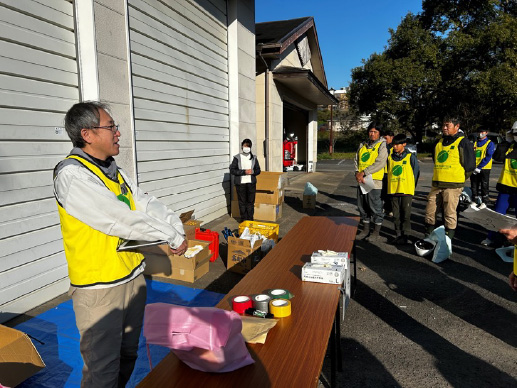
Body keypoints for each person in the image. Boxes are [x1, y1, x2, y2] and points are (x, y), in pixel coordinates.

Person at [54, 101, 188, 388]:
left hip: (132, 278)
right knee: (102, 370)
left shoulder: (114, 171)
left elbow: (145, 203)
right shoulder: (72, 175)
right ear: (87, 134)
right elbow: (120, 219)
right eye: (111, 126)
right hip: (99, 290)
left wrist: (175, 226)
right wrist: (170, 237)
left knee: (128, 355)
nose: (118, 133)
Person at [424, 117, 475, 240]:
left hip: (453, 186)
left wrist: (458, 179)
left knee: (449, 214)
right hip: (437, 184)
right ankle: (429, 237)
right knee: (430, 212)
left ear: (457, 127)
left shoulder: (463, 142)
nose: (444, 128)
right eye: (443, 125)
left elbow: (470, 166)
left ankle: (447, 240)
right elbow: (436, 160)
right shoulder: (439, 142)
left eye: (448, 125)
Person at [481, 121, 517, 247]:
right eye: (514, 132)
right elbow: (498, 157)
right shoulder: (509, 146)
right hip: (506, 187)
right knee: (497, 214)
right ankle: (491, 237)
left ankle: (514, 241)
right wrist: (506, 141)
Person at [354, 122, 388, 241]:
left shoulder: (382, 146)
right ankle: (365, 230)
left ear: (379, 134)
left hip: (374, 181)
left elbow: (380, 162)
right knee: (362, 206)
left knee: (375, 207)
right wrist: (357, 173)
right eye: (370, 131)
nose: (372, 134)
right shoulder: (363, 144)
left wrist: (364, 172)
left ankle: (376, 232)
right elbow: (356, 160)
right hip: (362, 180)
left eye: (375, 132)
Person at [387, 134, 420, 245]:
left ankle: (406, 235)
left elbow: (416, 173)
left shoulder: (410, 157)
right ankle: (398, 234)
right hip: (393, 190)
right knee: (396, 215)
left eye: (397, 144)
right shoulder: (390, 157)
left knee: (405, 214)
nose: (395, 147)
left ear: (404, 144)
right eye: (393, 144)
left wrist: (411, 186)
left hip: (406, 191)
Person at [230, 139, 261, 222]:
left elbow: (258, 170)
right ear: (242, 147)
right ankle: (243, 220)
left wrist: (253, 171)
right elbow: (232, 170)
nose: (246, 147)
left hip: (251, 183)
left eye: (248, 146)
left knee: (250, 202)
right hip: (240, 184)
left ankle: (250, 219)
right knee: (242, 202)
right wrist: (244, 172)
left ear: (250, 147)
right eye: (245, 146)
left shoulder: (254, 158)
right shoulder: (237, 157)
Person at [470, 128, 495, 206]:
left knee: (484, 185)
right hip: (475, 167)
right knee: (474, 184)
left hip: (484, 168)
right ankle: (475, 200)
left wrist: (479, 167)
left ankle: (484, 201)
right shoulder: (475, 143)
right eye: (479, 132)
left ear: (486, 133)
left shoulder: (490, 143)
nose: (480, 133)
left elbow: (488, 156)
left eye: (482, 132)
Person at [382, 130, 395, 216]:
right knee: (384, 192)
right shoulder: (383, 147)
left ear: (392, 138)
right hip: (383, 173)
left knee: (391, 193)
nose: (385, 140)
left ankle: (391, 209)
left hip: (391, 174)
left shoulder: (394, 148)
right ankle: (386, 208)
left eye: (386, 138)